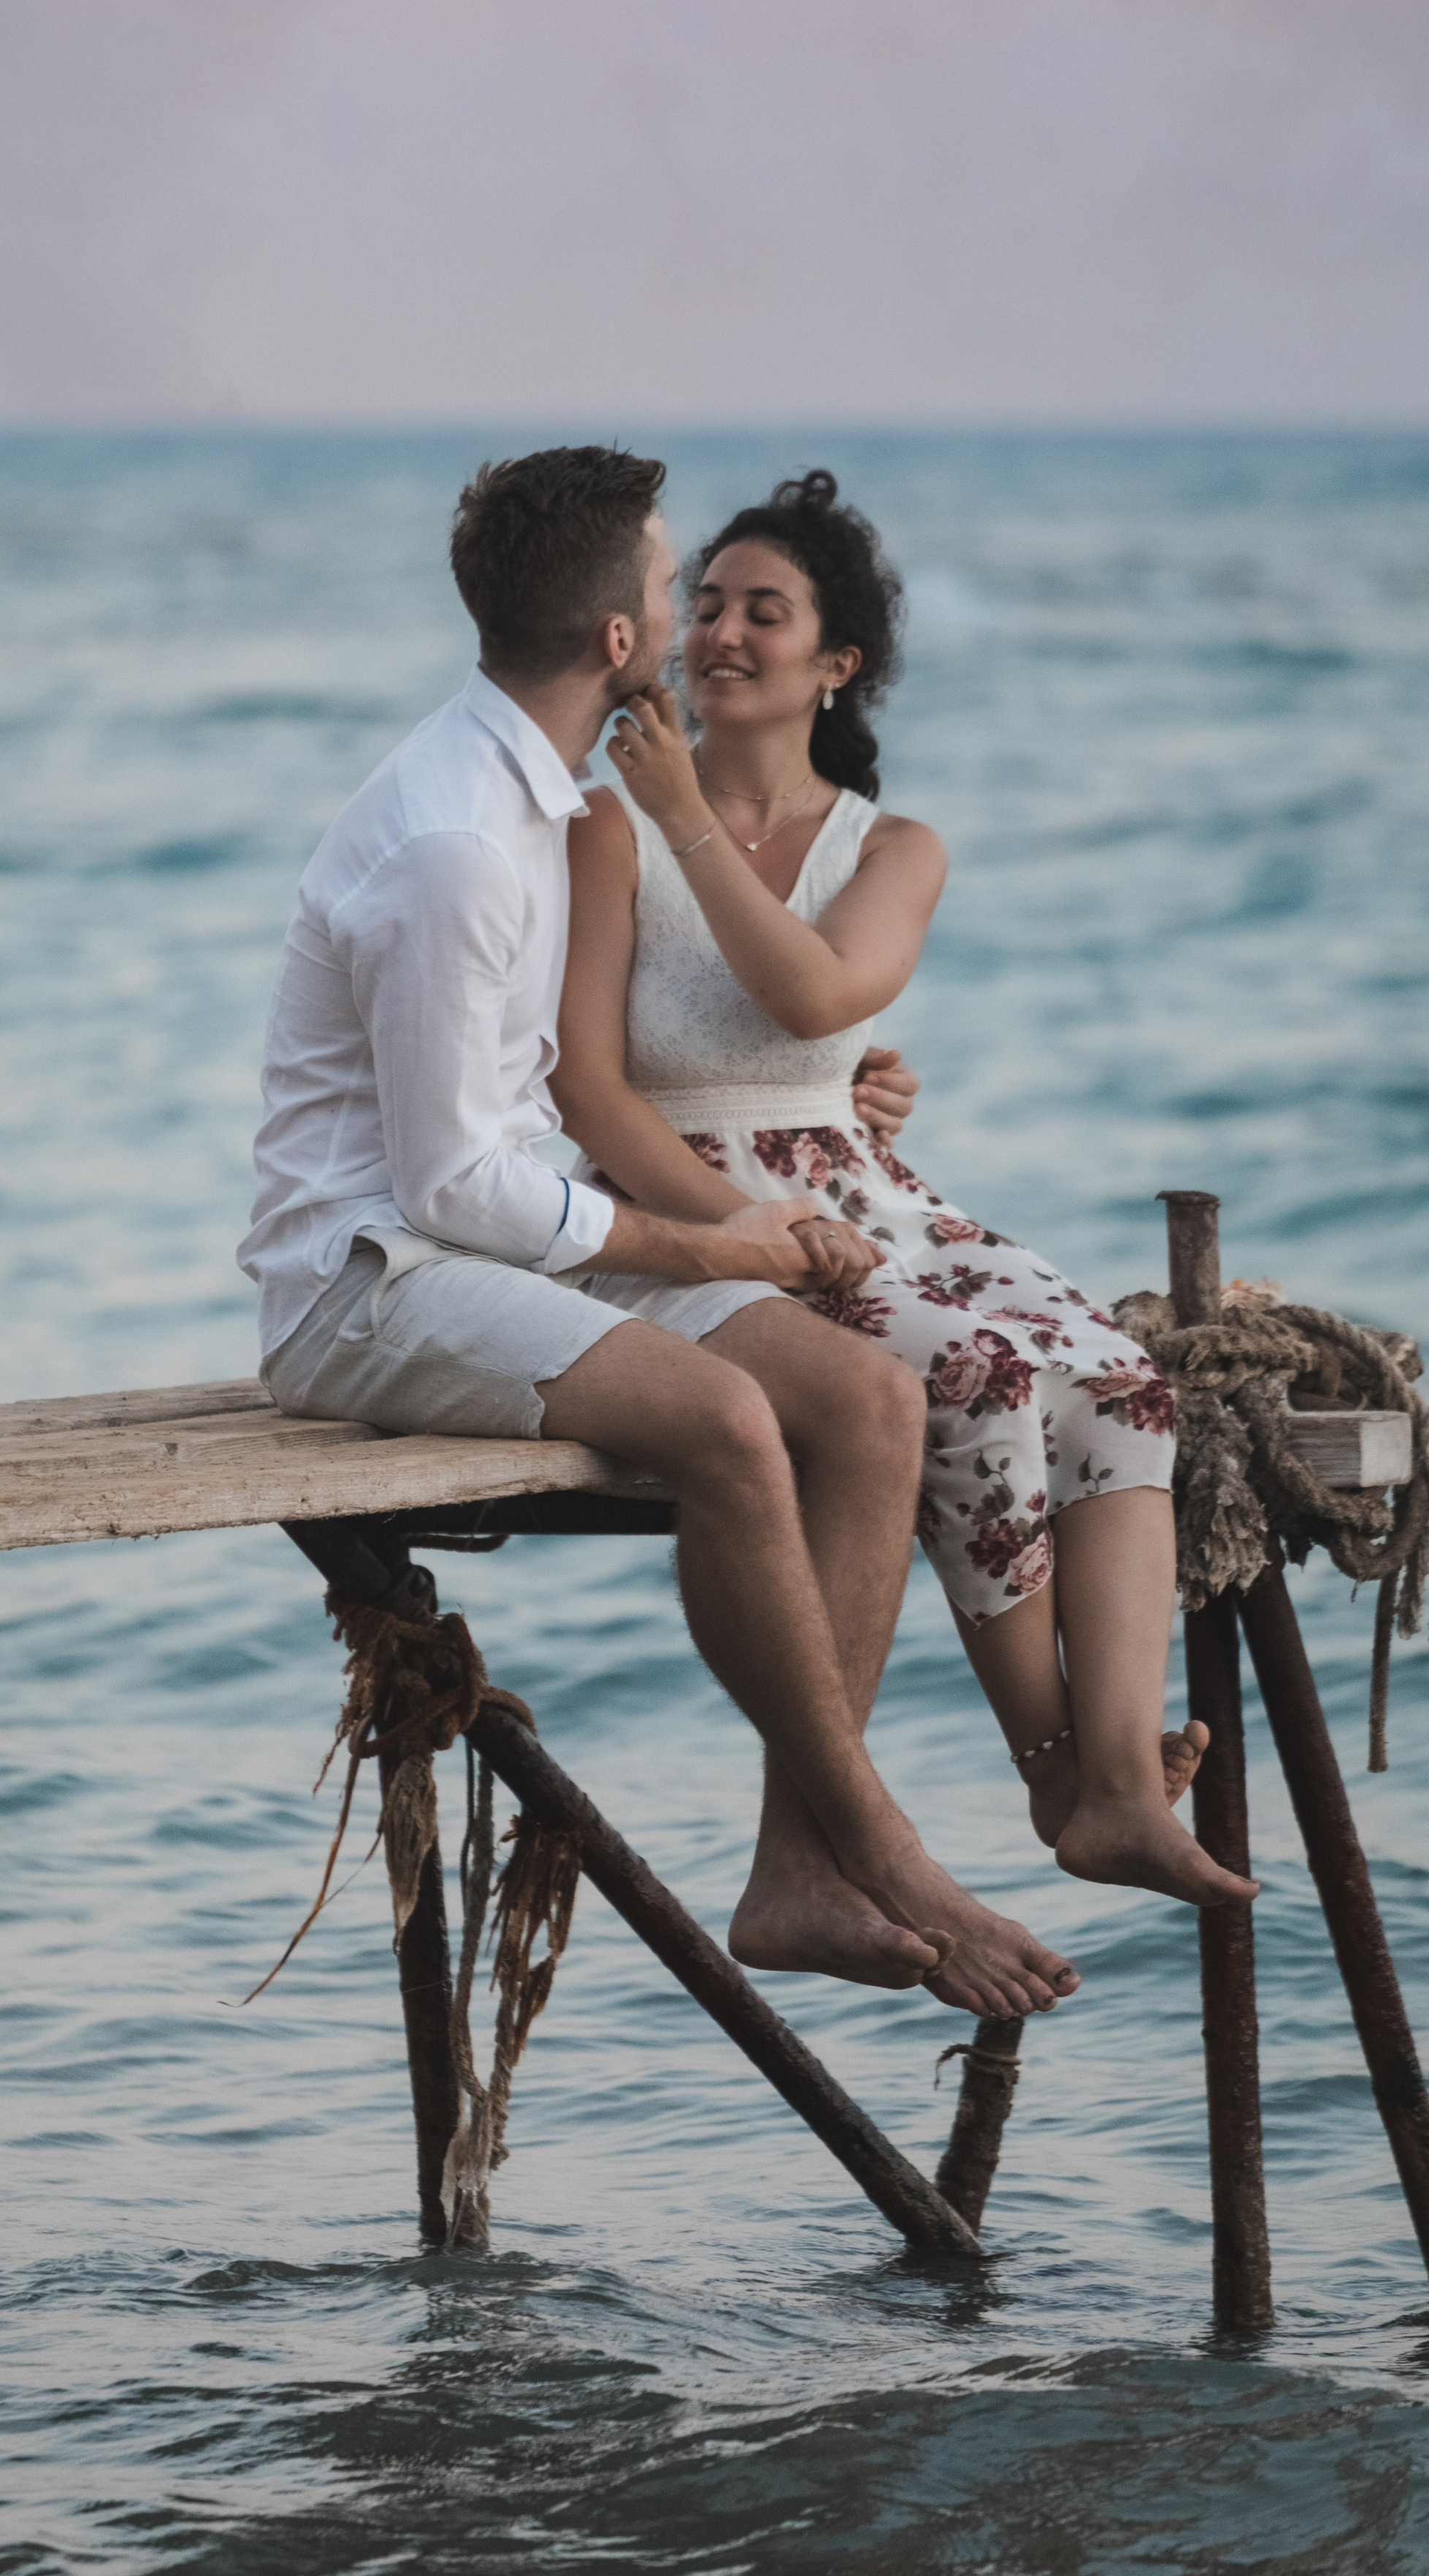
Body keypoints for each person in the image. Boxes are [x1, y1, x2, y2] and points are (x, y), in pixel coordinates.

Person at [242, 444, 1085, 2020]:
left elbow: (590, 1065)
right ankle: (881, 1844)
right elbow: (441, 1191)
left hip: (500, 1243)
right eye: (668, 583)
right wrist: (720, 1246)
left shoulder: (546, 799)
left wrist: (843, 1082)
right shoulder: (454, 846)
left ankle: (792, 1872)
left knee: (866, 1399)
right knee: (728, 1426)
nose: (690, 615)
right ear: (621, 641)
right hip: (367, 1287)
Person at [551, 470, 1258, 1916]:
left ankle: (1117, 1780)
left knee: (1121, 1380)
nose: (719, 631)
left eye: (766, 611)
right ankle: (1055, 1769)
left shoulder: (888, 848)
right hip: (676, 1199)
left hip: (861, 1189)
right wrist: (704, 1227)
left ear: (835, 662)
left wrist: (692, 814)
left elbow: (814, 990)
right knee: (981, 1375)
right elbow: (584, 1084)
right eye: (705, 603)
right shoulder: (605, 834)